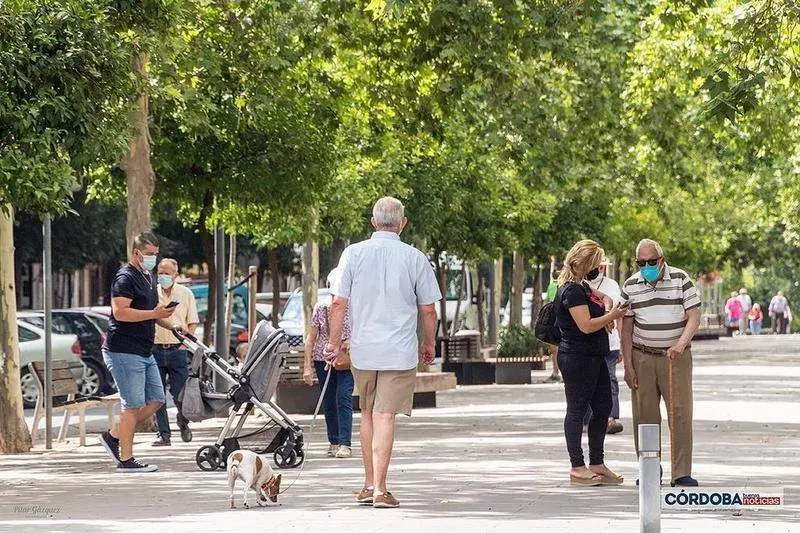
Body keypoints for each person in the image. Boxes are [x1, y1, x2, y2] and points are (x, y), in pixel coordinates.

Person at [326, 196, 441, 508]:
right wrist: (429, 343)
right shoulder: (415, 258)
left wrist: (334, 343)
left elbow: (338, 303)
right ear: (403, 223)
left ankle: (367, 483)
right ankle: (380, 489)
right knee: (385, 415)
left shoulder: (352, 254)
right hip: (399, 350)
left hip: (363, 349)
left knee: (366, 412)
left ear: (373, 222)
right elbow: (428, 310)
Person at [620, 238, 701, 487]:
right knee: (645, 416)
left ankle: (681, 472)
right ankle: (649, 469)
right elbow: (625, 328)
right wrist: (627, 366)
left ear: (662, 259)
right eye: (641, 262)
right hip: (642, 355)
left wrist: (680, 343)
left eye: (651, 262)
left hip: (675, 356)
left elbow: (694, 316)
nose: (646, 266)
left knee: (680, 413)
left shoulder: (681, 279)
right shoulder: (631, 285)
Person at [99, 232, 178, 473]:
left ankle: (114, 436)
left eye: (156, 254)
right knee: (132, 405)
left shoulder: (148, 277)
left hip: (144, 350)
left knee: (156, 400)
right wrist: (155, 314)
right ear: (136, 253)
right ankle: (126, 460)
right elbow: (121, 312)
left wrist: (173, 325)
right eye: (150, 254)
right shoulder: (125, 277)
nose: (154, 259)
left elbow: (152, 311)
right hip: (123, 350)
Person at [555, 240, 627, 487]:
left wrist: (607, 312)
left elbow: (605, 298)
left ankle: (597, 462)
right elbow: (585, 326)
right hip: (577, 358)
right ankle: (577, 466)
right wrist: (612, 317)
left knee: (604, 405)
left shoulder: (584, 287)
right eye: (596, 263)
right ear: (585, 263)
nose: (599, 267)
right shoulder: (571, 291)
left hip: (596, 356)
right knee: (576, 410)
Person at [303, 267, 354, 459]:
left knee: (344, 397)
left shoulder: (353, 307)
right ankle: (333, 440)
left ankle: (345, 443)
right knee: (329, 400)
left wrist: (349, 342)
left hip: (345, 359)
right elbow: (311, 338)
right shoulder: (321, 307)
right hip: (322, 360)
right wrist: (307, 367)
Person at [151, 258, 199, 446]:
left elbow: (193, 321)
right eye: (160, 272)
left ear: (175, 275)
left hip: (177, 350)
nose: (163, 276)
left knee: (180, 392)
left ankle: (183, 421)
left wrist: (184, 344)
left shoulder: (185, 293)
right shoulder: (152, 293)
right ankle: (163, 434)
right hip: (155, 348)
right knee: (157, 394)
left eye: (167, 273)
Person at [585, 260, 624, 435]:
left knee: (609, 378)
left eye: (601, 266)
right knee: (587, 380)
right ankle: (587, 416)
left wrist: (623, 343)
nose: (598, 269)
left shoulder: (611, 285)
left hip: (610, 341)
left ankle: (610, 417)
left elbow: (620, 315)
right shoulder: (579, 285)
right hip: (585, 342)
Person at [545, 260, 563, 383]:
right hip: (563, 320)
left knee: (554, 349)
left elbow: (547, 303)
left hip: (553, 320)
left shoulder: (551, 286)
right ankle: (562, 372)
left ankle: (555, 371)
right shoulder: (565, 285)